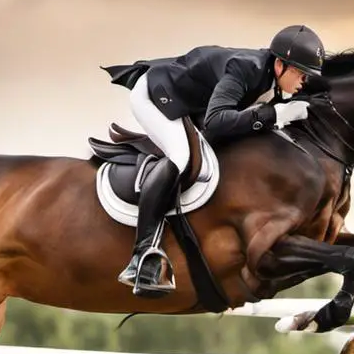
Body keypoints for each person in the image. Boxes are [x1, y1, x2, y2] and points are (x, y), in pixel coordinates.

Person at [101, 25, 326, 297]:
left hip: (189, 102)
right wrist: (274, 115)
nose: (304, 82)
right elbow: (216, 122)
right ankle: (141, 256)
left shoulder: (274, 82)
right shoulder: (246, 69)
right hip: (155, 94)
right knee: (181, 156)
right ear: (280, 65)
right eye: (301, 73)